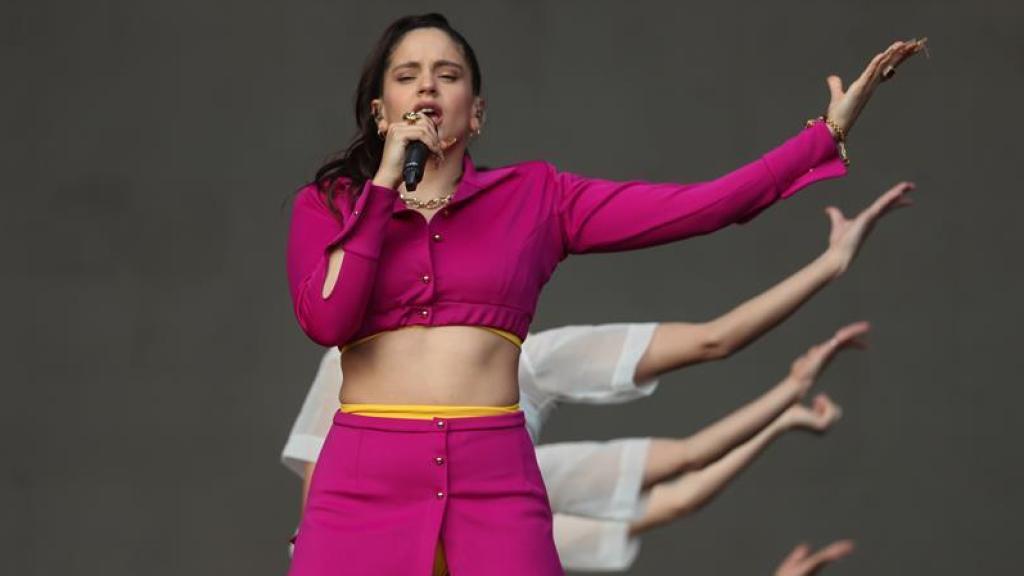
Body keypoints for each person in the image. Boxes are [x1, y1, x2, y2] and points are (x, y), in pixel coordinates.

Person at [285, 11, 925, 574]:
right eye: (407, 74)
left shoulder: (537, 198)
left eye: (449, 74)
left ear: (476, 111)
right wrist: (384, 187)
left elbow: (702, 206)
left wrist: (823, 138)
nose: (428, 85)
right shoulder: (328, 205)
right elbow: (328, 319)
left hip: (493, 476)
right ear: (380, 110)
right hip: (363, 482)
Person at [287, 174, 913, 573]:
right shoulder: (354, 362)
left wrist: (826, 273)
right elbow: (323, 488)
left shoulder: (529, 384)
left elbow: (709, 349)